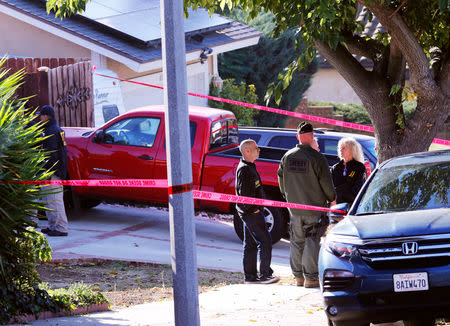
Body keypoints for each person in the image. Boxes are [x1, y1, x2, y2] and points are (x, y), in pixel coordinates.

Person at [278, 122, 336, 288]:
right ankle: (310, 278)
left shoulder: (287, 156)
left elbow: (281, 182)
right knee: (312, 240)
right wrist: (332, 197)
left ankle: (298, 277)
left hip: (294, 208)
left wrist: (289, 197)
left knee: (297, 240)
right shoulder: (317, 158)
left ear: (298, 137)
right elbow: (326, 184)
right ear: (311, 137)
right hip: (313, 208)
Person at [235, 139, 279, 284]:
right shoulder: (244, 170)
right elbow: (244, 194)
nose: (259, 150)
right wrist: (253, 209)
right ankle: (265, 275)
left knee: (250, 244)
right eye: (256, 148)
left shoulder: (250, 166)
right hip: (251, 213)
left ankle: (250, 277)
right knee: (265, 241)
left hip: (250, 212)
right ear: (247, 151)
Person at [38, 105, 69, 236]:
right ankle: (52, 226)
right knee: (49, 200)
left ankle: (61, 228)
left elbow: (51, 154)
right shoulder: (57, 130)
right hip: (54, 171)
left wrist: (48, 172)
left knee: (55, 200)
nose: (40, 118)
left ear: (46, 116)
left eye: (41, 115)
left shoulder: (51, 131)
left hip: (52, 173)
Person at [330, 137, 366, 206]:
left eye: (344, 148)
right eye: (339, 148)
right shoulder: (335, 168)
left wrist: (338, 195)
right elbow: (329, 188)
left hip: (352, 207)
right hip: (335, 207)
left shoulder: (359, 167)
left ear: (352, 150)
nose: (340, 150)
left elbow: (358, 190)